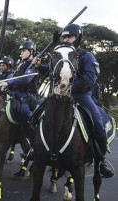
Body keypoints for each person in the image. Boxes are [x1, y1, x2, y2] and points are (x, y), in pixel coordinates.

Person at [33, 24, 114, 178]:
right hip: (58, 96)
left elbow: (90, 79)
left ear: (77, 38)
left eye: (69, 37)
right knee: (35, 115)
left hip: (82, 97)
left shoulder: (87, 56)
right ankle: (33, 150)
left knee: (98, 124)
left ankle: (101, 159)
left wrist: (70, 88)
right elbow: (50, 70)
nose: (66, 39)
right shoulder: (59, 54)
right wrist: (39, 67)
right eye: (64, 37)